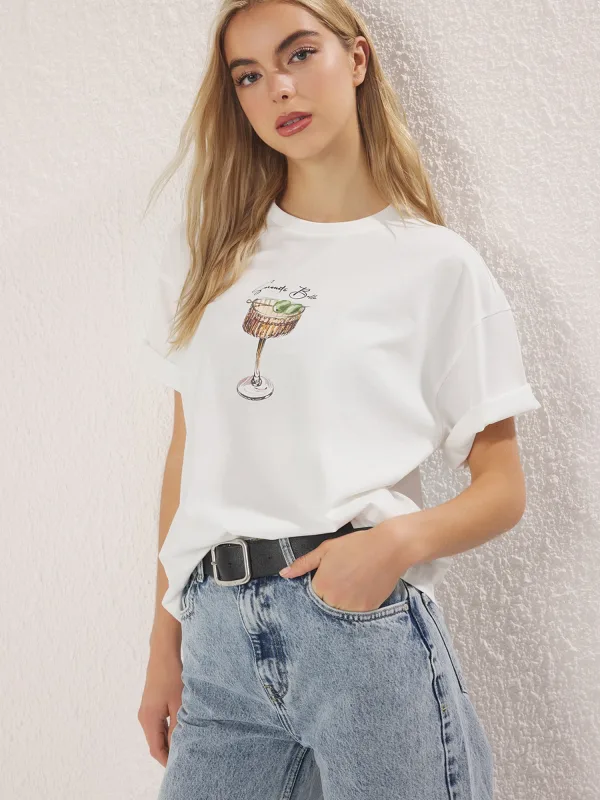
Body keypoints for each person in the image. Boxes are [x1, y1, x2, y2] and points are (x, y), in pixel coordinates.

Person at [137, 1, 542, 797]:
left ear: (357, 60)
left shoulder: (435, 265)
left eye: (299, 54)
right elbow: (190, 456)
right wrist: (164, 644)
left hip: (358, 627)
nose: (278, 89)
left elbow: (503, 490)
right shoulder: (211, 255)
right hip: (217, 637)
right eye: (249, 76)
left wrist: (388, 547)